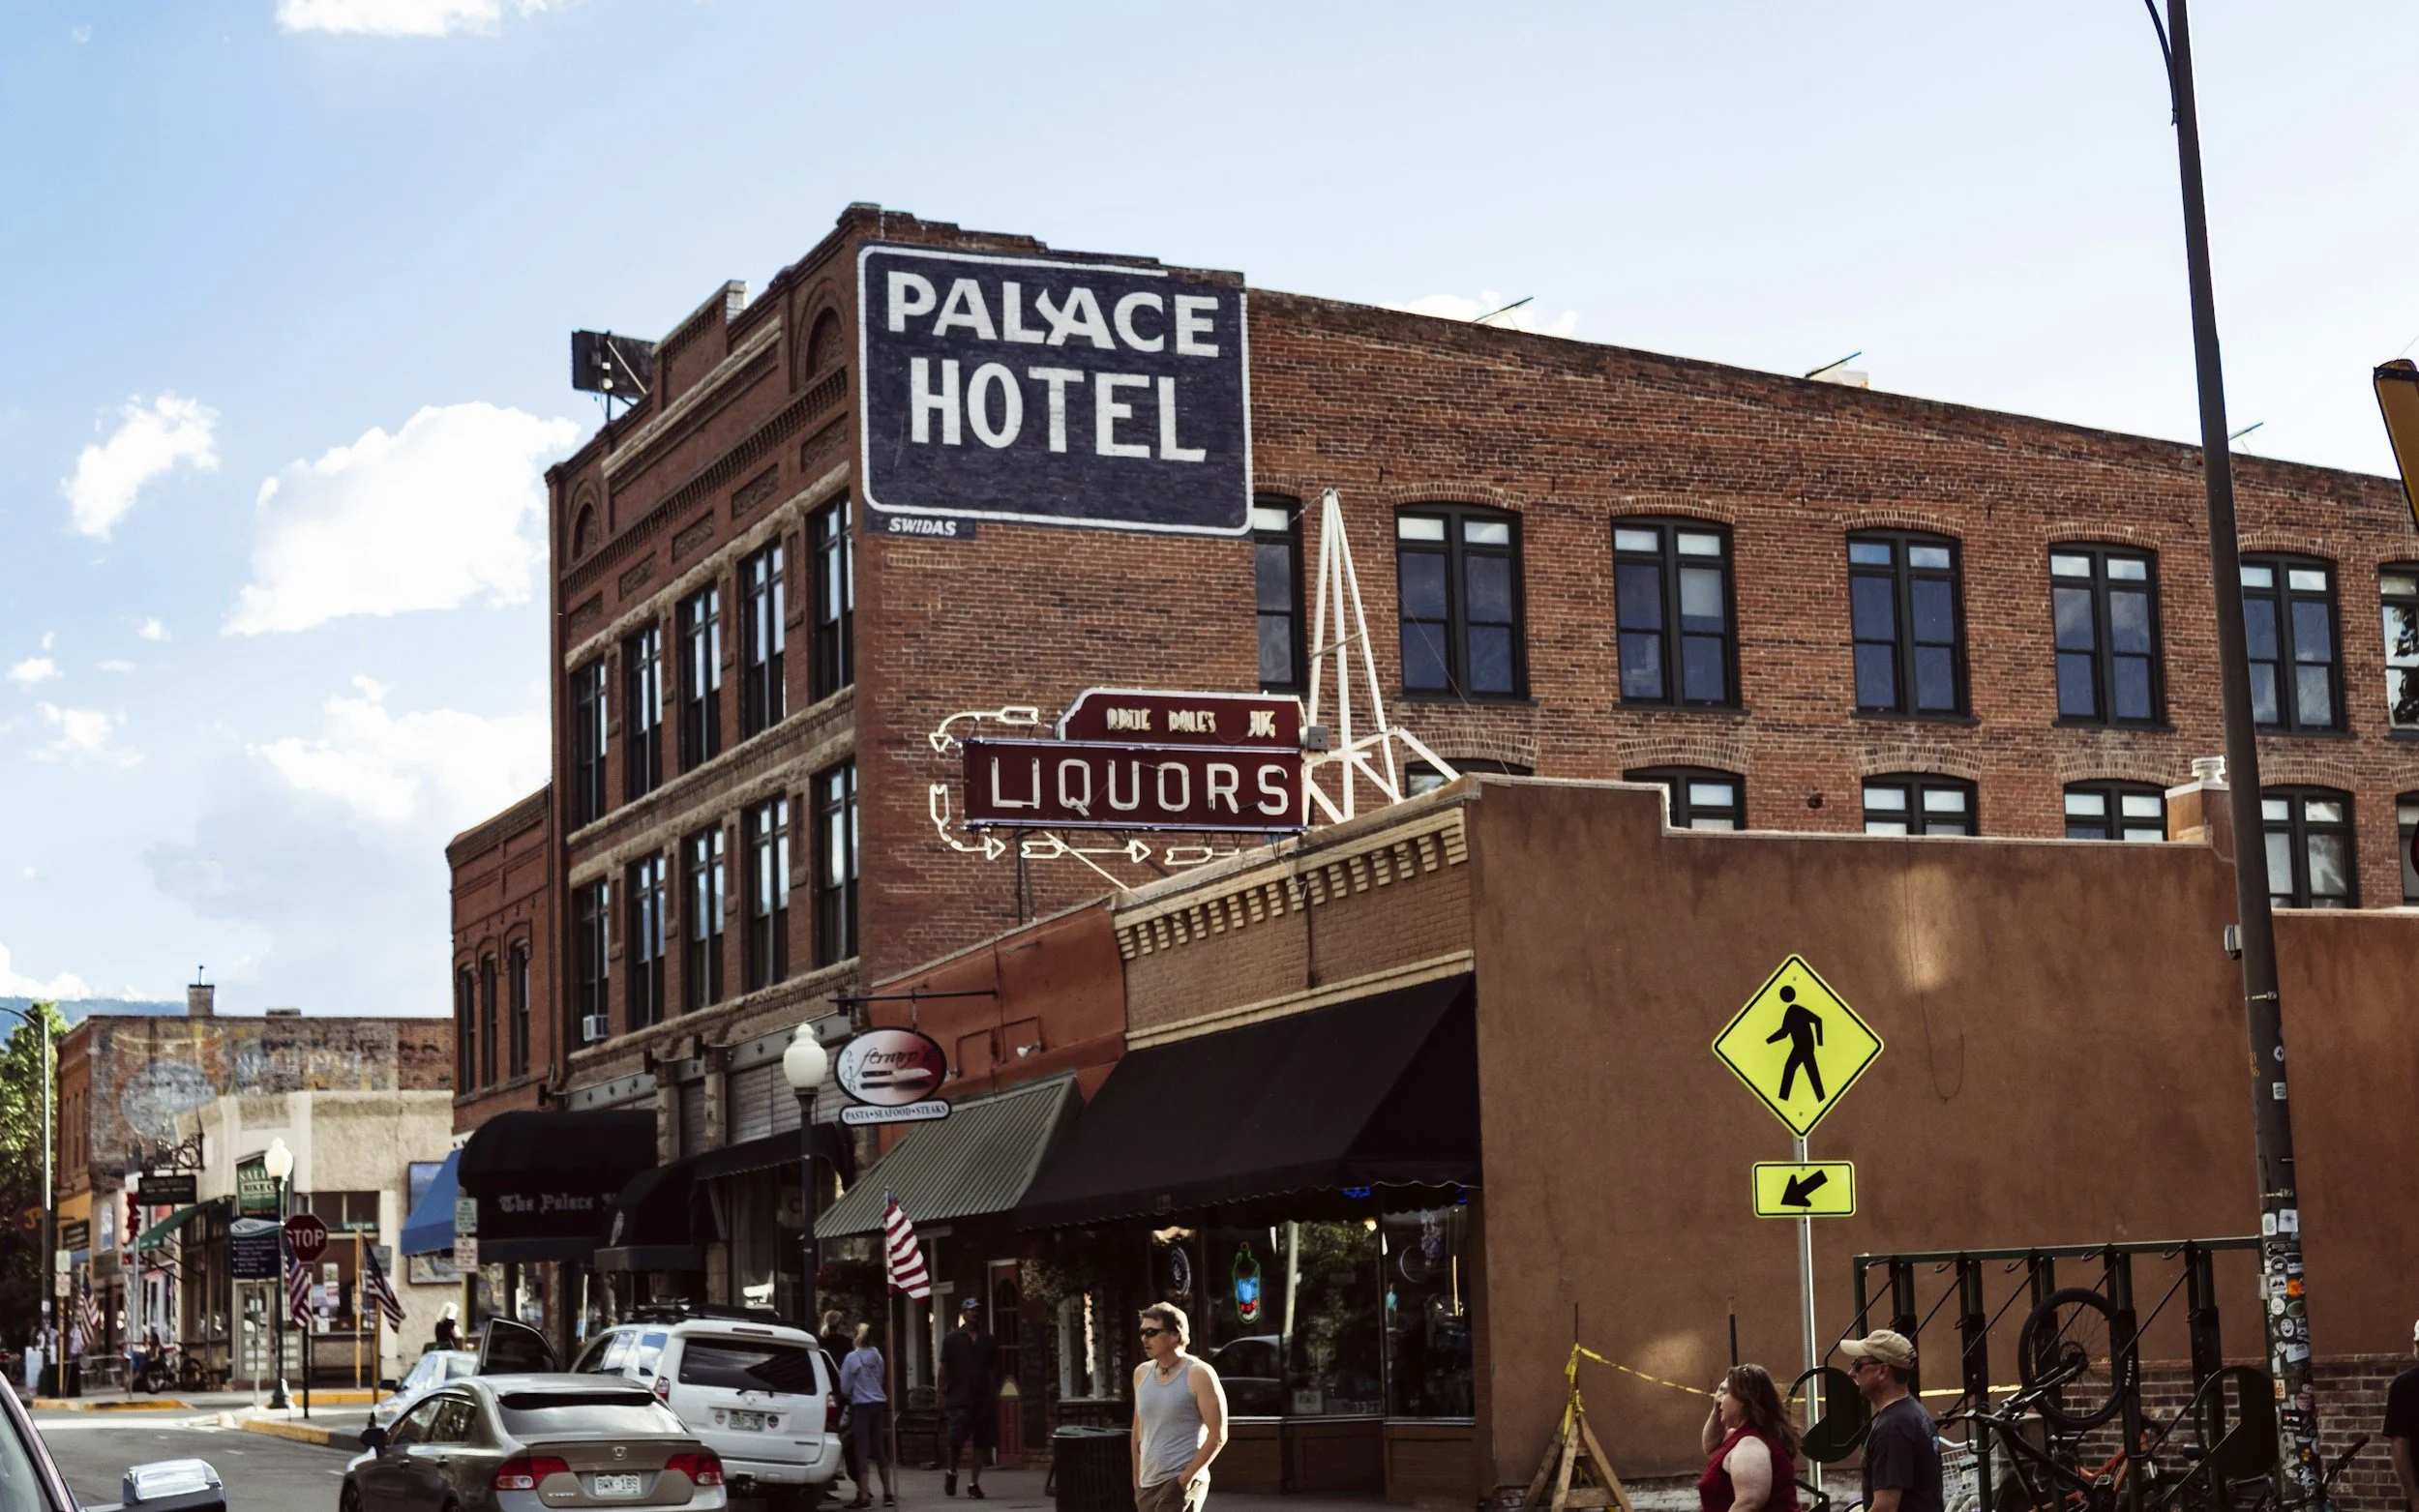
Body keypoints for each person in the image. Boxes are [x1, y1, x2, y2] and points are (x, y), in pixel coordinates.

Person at [1130, 1302, 1229, 1512]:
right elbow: (1138, 1431)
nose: (1144, 1339)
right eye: (1142, 1332)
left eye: (1152, 1332)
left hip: (1179, 1480)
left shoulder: (1199, 1373)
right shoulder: (1141, 1373)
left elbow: (1218, 1434)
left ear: (1175, 1335)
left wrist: (1186, 1478)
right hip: (1148, 1483)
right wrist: (1137, 1480)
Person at [1841, 1330, 1941, 1512]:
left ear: (1882, 1371)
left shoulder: (1892, 1428)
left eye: (1857, 1365)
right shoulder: (1912, 1413)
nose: (1851, 1373)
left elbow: (1885, 1508)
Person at [1698, 1364, 1801, 1512]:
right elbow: (1711, 1448)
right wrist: (1717, 1408)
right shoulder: (1741, 1435)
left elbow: (1748, 1503)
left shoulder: (1751, 1445)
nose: (1719, 1398)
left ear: (1742, 1399)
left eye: (1725, 1392)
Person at [941, 1297, 1000, 1497]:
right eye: (971, 1311)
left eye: (977, 1311)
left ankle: (973, 1483)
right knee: (956, 1441)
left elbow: (992, 1370)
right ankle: (952, 1472)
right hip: (959, 1398)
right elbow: (944, 1368)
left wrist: (994, 1396)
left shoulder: (988, 1340)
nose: (975, 1314)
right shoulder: (952, 1339)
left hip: (982, 1399)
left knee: (981, 1443)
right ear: (963, 1314)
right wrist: (941, 1394)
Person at [839, 1323, 894, 1509]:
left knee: (861, 1450)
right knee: (879, 1448)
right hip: (879, 1404)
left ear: (856, 1337)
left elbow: (845, 1387)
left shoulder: (852, 1358)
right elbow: (880, 1378)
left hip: (861, 1406)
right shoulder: (878, 1356)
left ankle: (864, 1496)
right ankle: (888, 1494)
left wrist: (854, 1391)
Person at [821, 1311, 863, 1501]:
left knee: (827, 1441)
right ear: (841, 1325)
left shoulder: (820, 1344)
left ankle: (823, 1485)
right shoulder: (848, 1346)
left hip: (825, 1398)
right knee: (849, 1444)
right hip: (845, 1400)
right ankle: (861, 1487)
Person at [2386, 1317, 2419, 1512]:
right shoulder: (2405, 1385)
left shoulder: (2404, 1385)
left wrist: (2414, 1496)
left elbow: (2399, 1444)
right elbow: (2399, 1443)